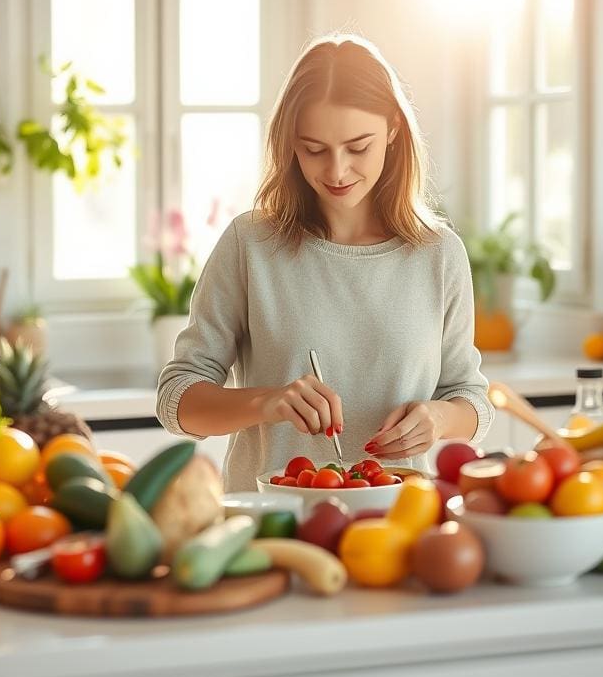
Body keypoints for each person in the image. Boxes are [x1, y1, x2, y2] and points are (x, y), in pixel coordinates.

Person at [156, 33, 493, 493]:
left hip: (395, 524)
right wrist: (266, 403)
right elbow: (176, 399)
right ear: (289, 143)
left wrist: (438, 417)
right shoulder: (250, 243)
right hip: (270, 524)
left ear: (393, 129)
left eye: (358, 147)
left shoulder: (439, 254)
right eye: (313, 149)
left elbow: (471, 397)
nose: (336, 171)